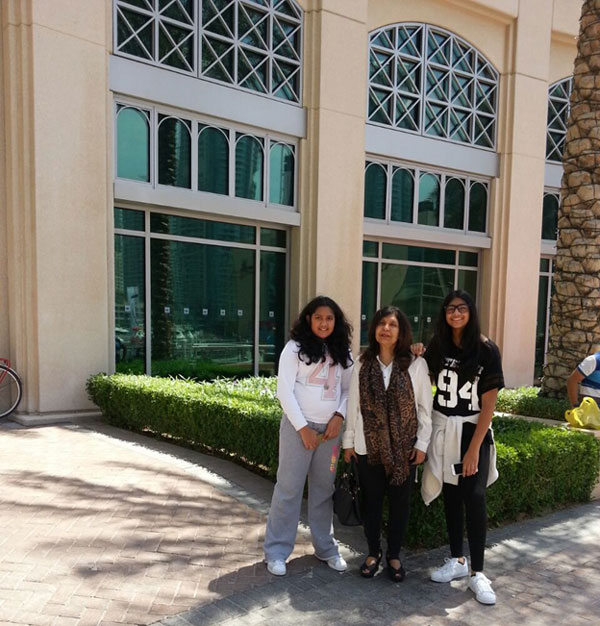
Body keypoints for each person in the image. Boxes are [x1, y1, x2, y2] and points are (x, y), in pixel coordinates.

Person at [420, 290, 504, 605]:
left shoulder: (486, 350)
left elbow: (489, 405)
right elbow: (423, 377)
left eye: (462, 308)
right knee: (452, 496)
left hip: (471, 431)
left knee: (475, 496)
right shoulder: (438, 346)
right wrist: (416, 352)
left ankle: (478, 572)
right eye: (450, 308)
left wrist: (473, 449)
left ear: (471, 312)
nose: (456, 313)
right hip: (444, 428)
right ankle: (457, 559)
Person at [264, 296, 354, 576]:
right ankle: (277, 551)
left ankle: (326, 548)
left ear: (336, 321)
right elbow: (284, 391)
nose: (324, 323)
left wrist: (339, 417)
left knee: (324, 490)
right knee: (288, 488)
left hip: (330, 434)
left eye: (329, 318)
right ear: (308, 319)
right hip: (298, 430)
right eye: (318, 318)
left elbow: (349, 390)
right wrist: (303, 428)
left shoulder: (343, 351)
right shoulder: (294, 349)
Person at [342, 306, 432, 581]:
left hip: (404, 451)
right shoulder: (362, 363)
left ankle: (394, 555)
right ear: (374, 329)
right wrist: (348, 442)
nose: (386, 329)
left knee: (399, 505)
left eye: (392, 325)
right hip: (368, 447)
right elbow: (354, 405)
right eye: (382, 324)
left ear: (401, 331)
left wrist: (422, 444)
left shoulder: (415, 364)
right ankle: (373, 552)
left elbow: (424, 409)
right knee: (371, 504)